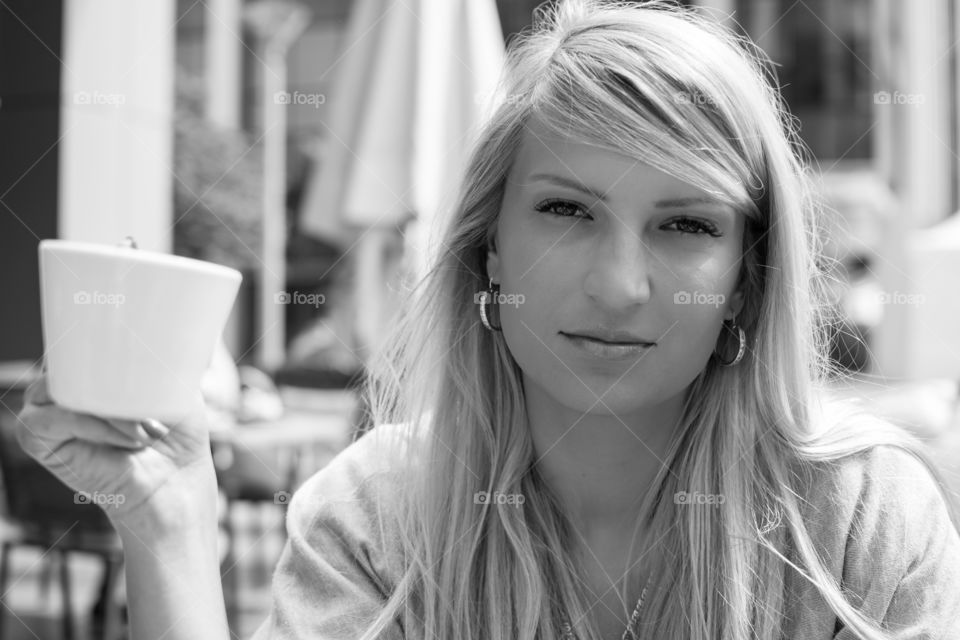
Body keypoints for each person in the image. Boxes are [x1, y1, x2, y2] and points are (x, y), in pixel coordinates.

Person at [16, 1, 960, 639]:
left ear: (748, 280)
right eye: (566, 210)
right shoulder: (376, 520)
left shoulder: (861, 525)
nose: (620, 285)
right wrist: (167, 520)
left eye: (685, 225)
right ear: (488, 248)